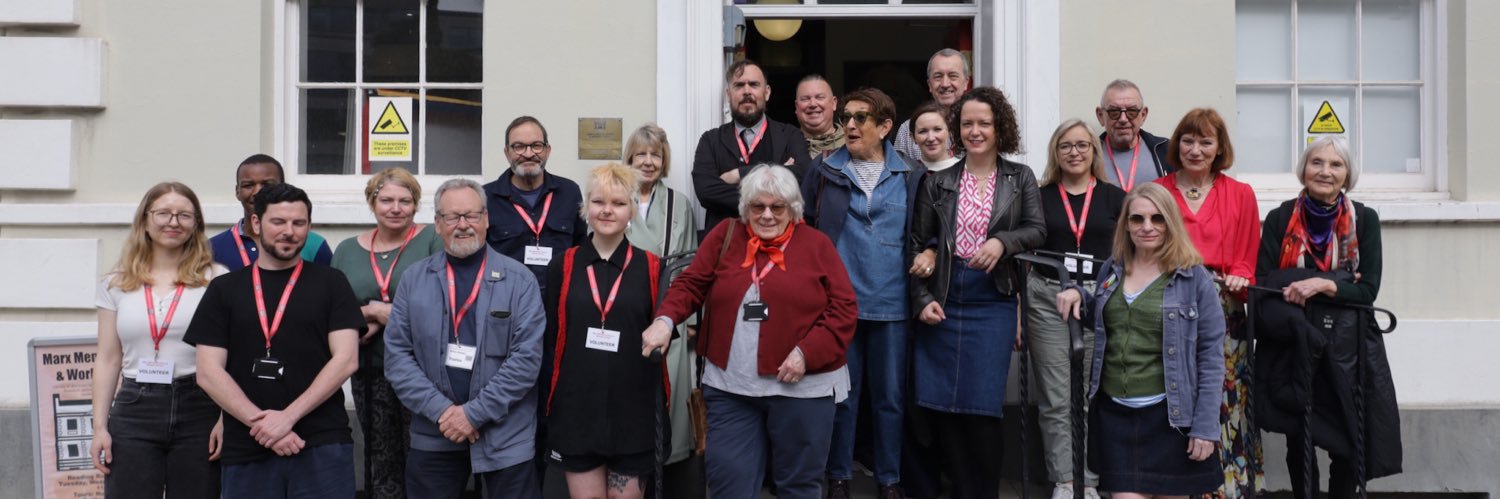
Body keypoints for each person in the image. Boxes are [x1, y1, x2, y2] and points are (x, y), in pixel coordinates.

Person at [642, 164, 857, 499]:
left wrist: (806, 353)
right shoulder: (726, 235)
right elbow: (691, 284)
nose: (767, 215)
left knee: (798, 487)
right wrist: (664, 321)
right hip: (732, 388)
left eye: (777, 207)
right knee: (729, 483)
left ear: (793, 209)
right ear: (745, 208)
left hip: (802, 390)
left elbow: (843, 309)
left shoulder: (817, 245)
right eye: (758, 207)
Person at [907, 86, 1045, 499]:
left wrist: (1003, 242)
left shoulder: (1019, 178)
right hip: (945, 297)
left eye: (984, 122)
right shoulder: (940, 182)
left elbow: (1037, 230)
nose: (975, 130)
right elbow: (918, 243)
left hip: (995, 299)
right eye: (967, 123)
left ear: (999, 127)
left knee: (982, 407)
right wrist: (921, 299)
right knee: (941, 405)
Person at [185, 183, 364, 499]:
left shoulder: (331, 283)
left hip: (321, 442)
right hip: (247, 446)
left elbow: (346, 359)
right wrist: (266, 427)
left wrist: (287, 418)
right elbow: (208, 373)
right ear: (256, 224)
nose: (289, 232)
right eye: (278, 222)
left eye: (299, 223)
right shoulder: (224, 289)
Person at [1054, 182, 1226, 497]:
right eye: (1137, 219)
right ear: (1127, 224)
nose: (1147, 227)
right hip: (1116, 416)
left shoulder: (1194, 278)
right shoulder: (1113, 269)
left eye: (1157, 219)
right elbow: (1107, 323)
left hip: (1171, 419)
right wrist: (1078, 294)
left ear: (1170, 222)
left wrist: (1205, 427)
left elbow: (1211, 358)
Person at [1254, 137, 1400, 498]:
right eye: (1317, 162)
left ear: (1347, 173)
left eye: (1336, 165)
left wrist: (1321, 285)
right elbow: (1264, 283)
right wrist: (1337, 281)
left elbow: (1368, 291)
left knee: (1348, 440)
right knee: (1298, 438)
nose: (1325, 171)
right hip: (1294, 344)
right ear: (1304, 168)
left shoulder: (1365, 220)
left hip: (1346, 351)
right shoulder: (1279, 218)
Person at [383, 178, 546, 498]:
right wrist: (445, 413)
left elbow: (526, 361)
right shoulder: (414, 280)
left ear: (486, 219)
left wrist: (473, 414)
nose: (463, 225)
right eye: (452, 217)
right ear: (437, 224)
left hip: (505, 437)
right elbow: (397, 358)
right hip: (435, 432)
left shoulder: (519, 281)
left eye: (471, 216)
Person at [801, 88, 924, 499]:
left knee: (889, 399)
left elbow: (928, 232)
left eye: (861, 118)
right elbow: (803, 226)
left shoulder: (912, 173)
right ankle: (838, 476)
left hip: (893, 303)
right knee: (842, 398)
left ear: (886, 127)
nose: (850, 126)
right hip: (839, 304)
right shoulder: (824, 170)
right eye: (847, 117)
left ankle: (888, 479)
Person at [1152, 108, 1263, 498]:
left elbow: (1248, 258)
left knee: (1223, 402)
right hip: (1170, 306)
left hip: (1222, 309)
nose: (1195, 149)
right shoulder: (1158, 191)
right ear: (1176, 145)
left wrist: (1239, 277)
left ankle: (1228, 488)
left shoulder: (1240, 194)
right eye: (1188, 140)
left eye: (1205, 142)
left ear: (1219, 149)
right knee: (1176, 398)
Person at [92, 182, 228, 498]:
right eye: (163, 213)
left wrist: (225, 419)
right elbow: (108, 358)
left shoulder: (216, 279)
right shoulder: (116, 284)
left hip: (200, 405)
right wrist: (99, 427)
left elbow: (229, 358)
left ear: (196, 224)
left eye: (184, 215)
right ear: (145, 220)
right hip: (135, 407)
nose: (173, 222)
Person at [543, 164, 669, 499]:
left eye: (617, 202)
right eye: (598, 202)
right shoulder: (564, 265)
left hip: (633, 411)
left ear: (631, 210)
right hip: (577, 408)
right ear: (586, 208)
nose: (607, 210)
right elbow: (552, 337)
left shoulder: (653, 268)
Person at [329, 167, 444, 499]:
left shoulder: (432, 241)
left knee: (423, 456)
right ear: (372, 202)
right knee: (381, 459)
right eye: (387, 200)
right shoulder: (348, 250)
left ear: (416, 205)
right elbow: (336, 311)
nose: (396, 208)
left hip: (422, 371)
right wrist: (371, 313)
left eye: (405, 201)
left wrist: (377, 313)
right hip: (369, 371)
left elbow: (438, 308)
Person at [1027, 119, 1126, 499]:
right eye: (1066, 145)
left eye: (1083, 145)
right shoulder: (1039, 195)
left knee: (1091, 395)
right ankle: (1065, 481)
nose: (1074, 152)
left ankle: (1091, 480)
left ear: (1094, 151)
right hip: (1048, 297)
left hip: (1100, 299)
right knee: (1055, 398)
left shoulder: (1115, 197)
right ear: (1056, 151)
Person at [622, 123, 703, 497]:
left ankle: (666, 467)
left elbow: (690, 265)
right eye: (641, 155)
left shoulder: (678, 203)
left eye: (655, 155)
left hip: (670, 309)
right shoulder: (615, 198)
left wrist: (687, 317)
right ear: (630, 158)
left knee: (670, 393)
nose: (648, 162)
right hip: (625, 304)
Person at [692, 59, 813, 232]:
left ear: (767, 92)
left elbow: (804, 174)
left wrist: (740, 173)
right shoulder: (710, 141)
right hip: (726, 247)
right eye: (739, 85)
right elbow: (706, 192)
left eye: (754, 85)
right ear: (728, 94)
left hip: (780, 248)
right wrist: (779, 181)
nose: (747, 91)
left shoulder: (790, 135)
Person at [483, 116, 588, 287]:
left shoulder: (569, 192)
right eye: (519, 147)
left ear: (547, 150)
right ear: (507, 152)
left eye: (536, 146)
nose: (529, 154)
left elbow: (581, 247)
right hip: (507, 301)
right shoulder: (486, 197)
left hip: (558, 299)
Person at [208, 154, 334, 270]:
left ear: (283, 186)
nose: (257, 192)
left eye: (267, 184)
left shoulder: (314, 245)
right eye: (248, 185)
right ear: (237, 191)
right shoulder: (213, 248)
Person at [893, 49, 970, 162]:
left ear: (966, 83)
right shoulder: (908, 129)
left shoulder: (978, 127)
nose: (945, 84)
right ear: (929, 84)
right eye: (938, 76)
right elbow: (899, 175)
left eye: (953, 76)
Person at [1095, 80, 1172, 191]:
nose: (1123, 119)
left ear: (1143, 115)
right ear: (1101, 116)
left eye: (1131, 111)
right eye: (1114, 112)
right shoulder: (1088, 155)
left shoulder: (1167, 151)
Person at [795, 75, 845, 159]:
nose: (813, 104)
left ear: (834, 103)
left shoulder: (852, 141)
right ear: (796, 106)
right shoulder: (784, 144)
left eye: (820, 97)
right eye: (805, 99)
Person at [908, 101, 959, 173]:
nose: (931, 138)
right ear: (913, 137)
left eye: (937, 129)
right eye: (923, 131)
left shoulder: (965, 171)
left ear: (950, 132)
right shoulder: (907, 174)